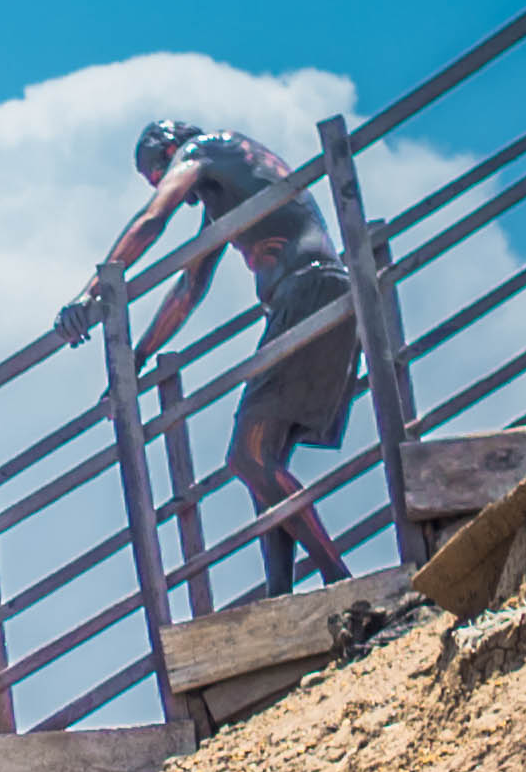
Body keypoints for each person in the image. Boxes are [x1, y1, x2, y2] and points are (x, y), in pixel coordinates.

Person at [76, 117, 363, 596]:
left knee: (247, 458)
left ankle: (339, 581)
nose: (163, 183)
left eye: (157, 171)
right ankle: (281, 596)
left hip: (308, 292)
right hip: (312, 294)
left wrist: (91, 294)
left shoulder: (205, 149)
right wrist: (138, 359)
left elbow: (152, 219)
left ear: (171, 149)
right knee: (261, 460)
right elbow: (189, 288)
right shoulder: (226, 193)